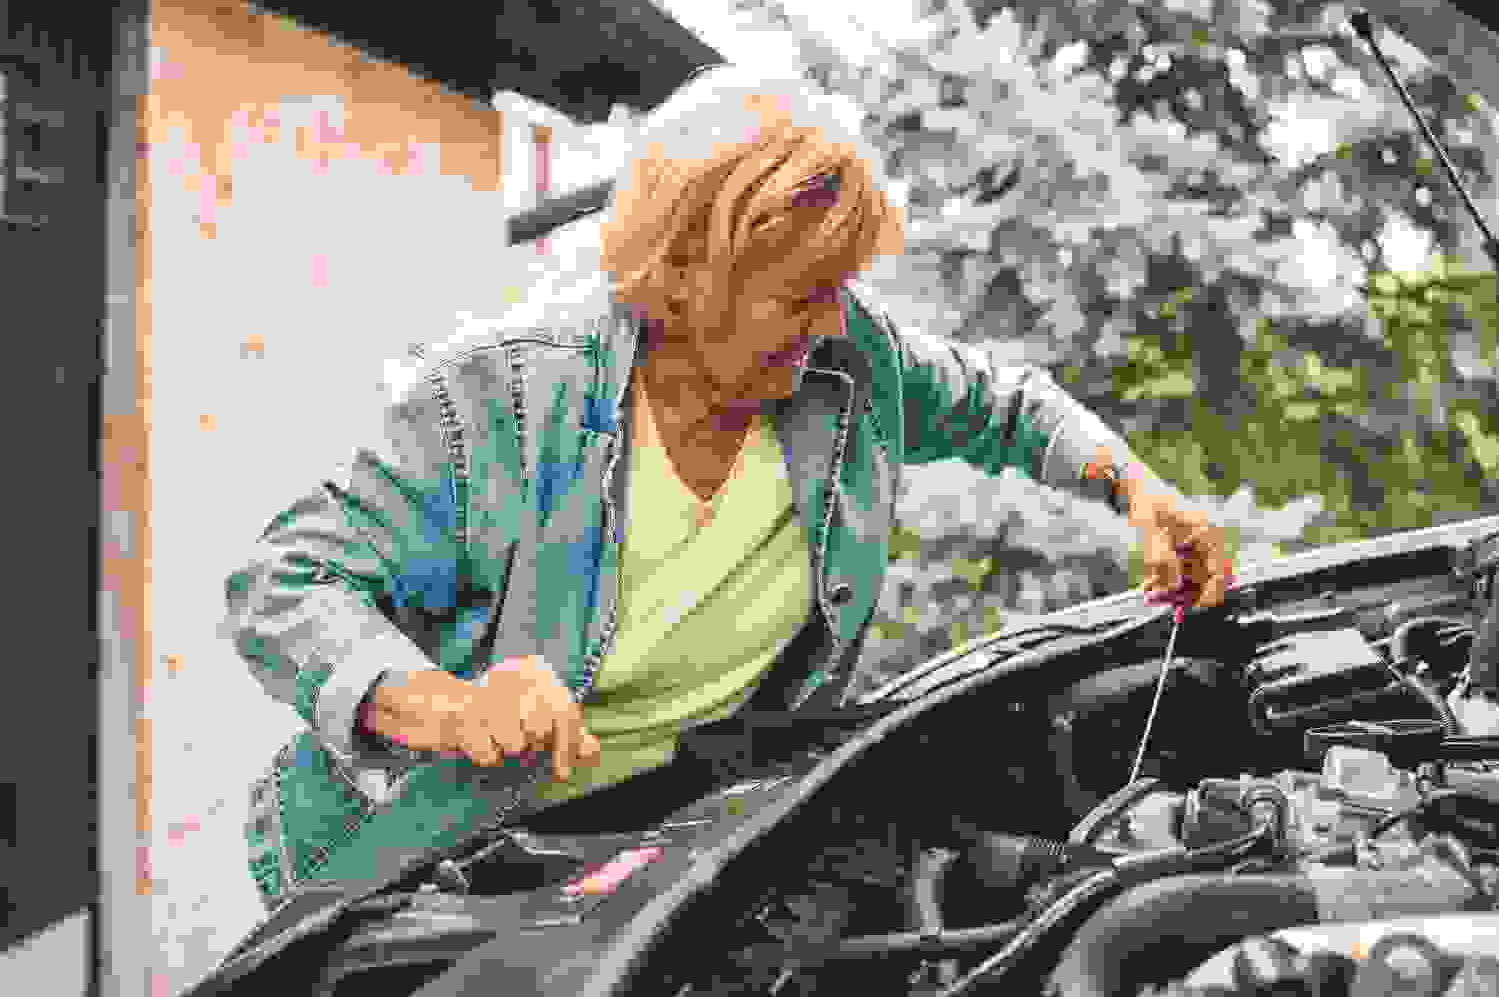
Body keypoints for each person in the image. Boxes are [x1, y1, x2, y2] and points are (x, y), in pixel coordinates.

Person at [224, 67, 1235, 911]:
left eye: (842, 288)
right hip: (421, 867)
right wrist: (445, 704)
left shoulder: (850, 364)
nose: (836, 321)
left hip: (651, 853)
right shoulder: (507, 396)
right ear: (684, 269)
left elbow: (1006, 404)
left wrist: (1135, 490)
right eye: (803, 292)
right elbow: (285, 583)